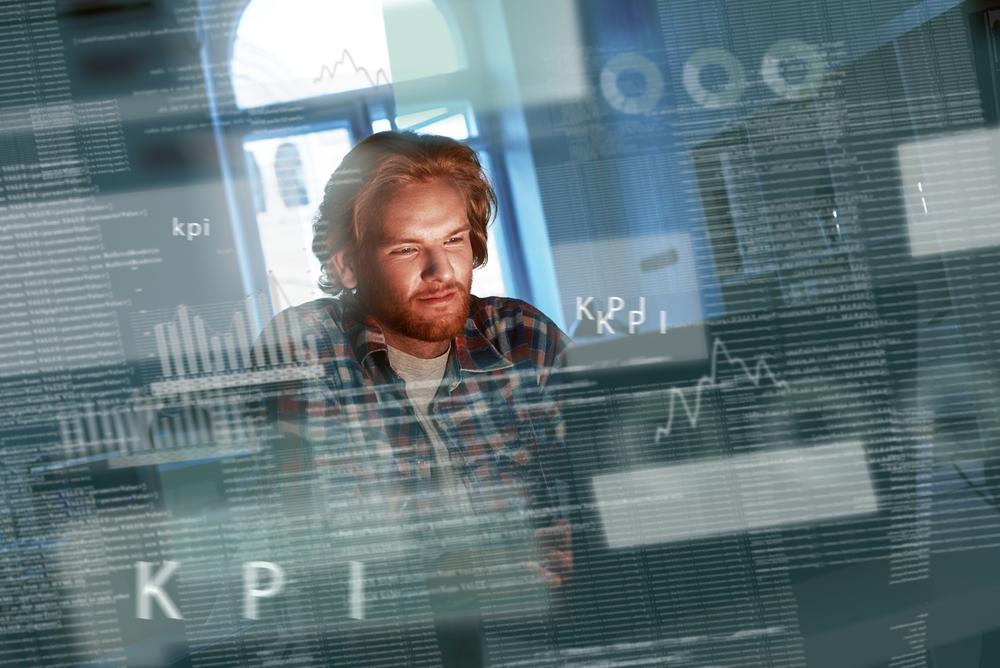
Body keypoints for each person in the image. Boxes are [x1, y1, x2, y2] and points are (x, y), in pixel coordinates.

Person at [251, 131, 572, 666]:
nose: (441, 273)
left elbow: (594, 505)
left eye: (453, 240)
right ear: (348, 266)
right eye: (406, 249)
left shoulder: (523, 336)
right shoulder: (303, 350)